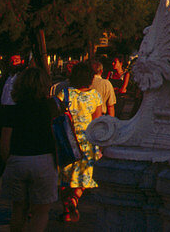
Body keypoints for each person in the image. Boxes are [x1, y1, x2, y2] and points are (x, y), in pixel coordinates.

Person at [0, 66, 58, 232]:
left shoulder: (12, 109)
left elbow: (5, 141)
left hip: (17, 159)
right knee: (41, 212)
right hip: (44, 159)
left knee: (18, 209)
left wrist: (8, 160)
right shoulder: (51, 107)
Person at [54, 61, 103, 223]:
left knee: (63, 179)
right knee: (82, 178)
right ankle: (74, 200)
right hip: (87, 143)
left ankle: (66, 210)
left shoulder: (65, 93)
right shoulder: (95, 96)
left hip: (66, 141)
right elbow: (97, 122)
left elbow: (56, 116)